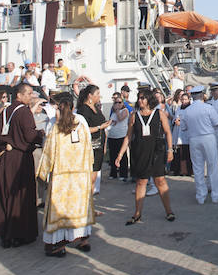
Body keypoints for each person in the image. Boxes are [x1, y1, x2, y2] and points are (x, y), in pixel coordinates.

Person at [36, 93, 96, 257]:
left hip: (61, 177)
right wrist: (88, 167)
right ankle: (82, 239)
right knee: (78, 207)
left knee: (61, 208)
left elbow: (47, 152)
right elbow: (89, 147)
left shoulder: (54, 127)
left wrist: (43, 173)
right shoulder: (81, 123)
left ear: (59, 108)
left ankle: (57, 244)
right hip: (79, 175)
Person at [0, 83, 44, 247]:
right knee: (19, 196)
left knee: (5, 194)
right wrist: (40, 134)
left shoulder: (5, 111)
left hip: (4, 157)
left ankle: (5, 233)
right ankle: (18, 234)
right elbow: (30, 135)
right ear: (19, 95)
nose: (31, 96)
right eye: (29, 93)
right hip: (19, 158)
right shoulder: (24, 112)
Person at [115, 90, 175, 223]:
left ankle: (169, 211)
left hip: (157, 150)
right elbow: (128, 137)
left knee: (160, 181)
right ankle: (137, 213)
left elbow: (168, 132)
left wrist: (170, 149)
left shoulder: (159, 114)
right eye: (139, 98)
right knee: (141, 182)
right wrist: (120, 154)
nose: (140, 100)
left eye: (143, 98)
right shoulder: (134, 116)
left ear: (149, 99)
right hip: (140, 151)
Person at [182, 86, 218, 203]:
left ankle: (201, 196)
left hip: (193, 139)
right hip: (208, 137)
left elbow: (183, 127)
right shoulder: (208, 108)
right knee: (213, 166)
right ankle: (216, 195)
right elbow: (217, 122)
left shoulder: (187, 110)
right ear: (202, 95)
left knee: (198, 168)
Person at [75, 86, 112, 197]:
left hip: (99, 145)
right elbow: (83, 129)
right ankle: (85, 204)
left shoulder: (96, 107)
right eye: (97, 93)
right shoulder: (83, 110)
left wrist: (104, 145)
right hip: (90, 147)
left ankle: (89, 205)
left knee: (94, 177)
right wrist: (100, 127)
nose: (99, 96)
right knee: (89, 178)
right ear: (90, 95)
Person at [107, 92, 130, 181]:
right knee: (112, 155)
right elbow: (111, 121)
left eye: (119, 102)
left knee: (122, 156)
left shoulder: (125, 111)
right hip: (112, 135)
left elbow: (121, 118)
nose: (117, 104)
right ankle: (113, 173)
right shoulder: (113, 113)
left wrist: (117, 111)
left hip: (121, 135)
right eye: (116, 102)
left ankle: (123, 173)